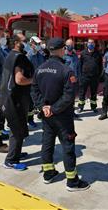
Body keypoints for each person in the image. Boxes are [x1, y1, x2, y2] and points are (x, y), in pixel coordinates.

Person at [31, 37, 90, 191]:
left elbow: (34, 91)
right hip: (62, 117)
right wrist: (54, 109)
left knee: (47, 143)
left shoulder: (40, 69)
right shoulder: (66, 70)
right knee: (68, 146)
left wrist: (43, 107)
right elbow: (69, 96)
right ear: (61, 49)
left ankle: (48, 173)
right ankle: (72, 181)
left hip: (46, 115)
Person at [0, 35, 34, 170]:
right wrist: (34, 79)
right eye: (23, 41)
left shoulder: (11, 55)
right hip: (15, 100)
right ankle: (11, 161)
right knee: (17, 130)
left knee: (18, 128)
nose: (25, 43)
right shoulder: (18, 58)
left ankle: (17, 153)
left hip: (11, 98)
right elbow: (19, 79)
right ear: (16, 43)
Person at [77, 38, 103, 113]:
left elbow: (100, 66)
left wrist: (99, 75)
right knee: (82, 92)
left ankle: (93, 107)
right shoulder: (83, 53)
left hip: (94, 77)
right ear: (87, 44)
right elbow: (80, 65)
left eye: (92, 43)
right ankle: (81, 107)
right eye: (89, 43)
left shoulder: (98, 54)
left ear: (94, 44)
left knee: (94, 93)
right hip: (84, 76)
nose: (91, 44)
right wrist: (80, 76)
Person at [27, 36, 46, 129]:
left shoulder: (41, 54)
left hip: (41, 81)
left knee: (41, 99)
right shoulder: (29, 56)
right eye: (37, 44)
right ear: (32, 44)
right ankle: (30, 119)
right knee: (30, 102)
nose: (38, 45)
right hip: (31, 82)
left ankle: (41, 115)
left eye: (39, 44)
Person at [63, 38, 80, 118]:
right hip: (66, 80)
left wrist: (78, 77)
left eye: (72, 45)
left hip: (75, 79)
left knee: (72, 97)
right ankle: (65, 112)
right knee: (66, 96)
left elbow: (78, 67)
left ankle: (71, 111)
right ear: (66, 46)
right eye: (69, 45)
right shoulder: (63, 56)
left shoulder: (75, 55)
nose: (71, 46)